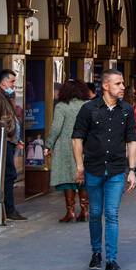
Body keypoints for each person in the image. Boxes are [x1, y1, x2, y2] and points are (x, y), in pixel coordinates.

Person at [71, 69, 136, 270]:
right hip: (93, 169)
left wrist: (133, 170)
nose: (123, 87)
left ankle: (111, 260)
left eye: (123, 83)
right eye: (118, 84)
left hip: (117, 170)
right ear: (106, 86)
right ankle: (96, 253)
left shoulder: (126, 110)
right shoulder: (88, 109)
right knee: (95, 214)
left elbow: (132, 141)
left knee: (111, 214)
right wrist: (80, 166)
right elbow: (77, 138)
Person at [46, 79, 91, 223]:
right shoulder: (87, 105)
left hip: (65, 146)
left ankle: (70, 211)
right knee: (82, 177)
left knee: (67, 179)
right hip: (85, 144)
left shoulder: (61, 106)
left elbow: (56, 128)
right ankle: (85, 210)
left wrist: (49, 144)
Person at [0, 69, 26, 221]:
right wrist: (5, 138)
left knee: (8, 174)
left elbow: (11, 120)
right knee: (8, 174)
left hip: (8, 141)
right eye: (12, 81)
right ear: (3, 82)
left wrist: (15, 138)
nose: (13, 85)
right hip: (1, 143)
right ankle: (8, 208)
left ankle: (7, 207)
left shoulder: (5, 97)